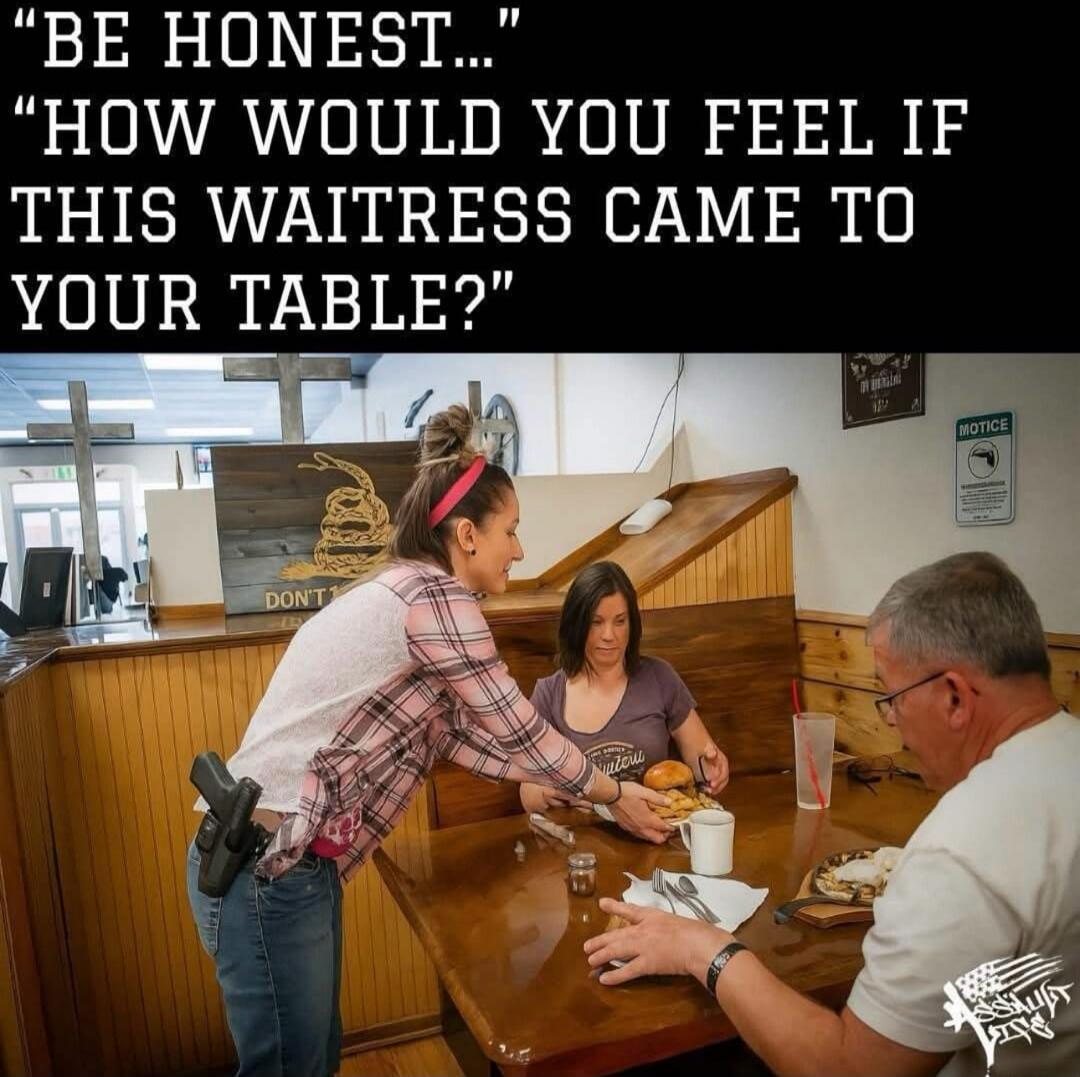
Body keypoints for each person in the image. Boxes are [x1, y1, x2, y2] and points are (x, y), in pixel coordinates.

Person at [186, 405, 672, 1077]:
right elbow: (521, 731)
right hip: (267, 869)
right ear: (468, 534)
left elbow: (480, 745)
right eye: (513, 530)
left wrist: (602, 798)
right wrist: (615, 788)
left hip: (284, 865)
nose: (521, 549)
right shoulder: (436, 599)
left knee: (313, 1059)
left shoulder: (405, 592)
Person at [584, 552, 1080, 1077]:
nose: (894, 726)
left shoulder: (963, 846)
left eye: (892, 698)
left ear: (955, 696)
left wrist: (700, 947)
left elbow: (850, 1068)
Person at [519, 560, 730, 814]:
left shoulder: (659, 677)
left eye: (620, 621)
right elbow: (527, 793)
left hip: (658, 831)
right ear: (577, 625)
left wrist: (712, 769)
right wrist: (550, 790)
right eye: (596, 622)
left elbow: (700, 762)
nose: (609, 635)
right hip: (584, 843)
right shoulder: (549, 694)